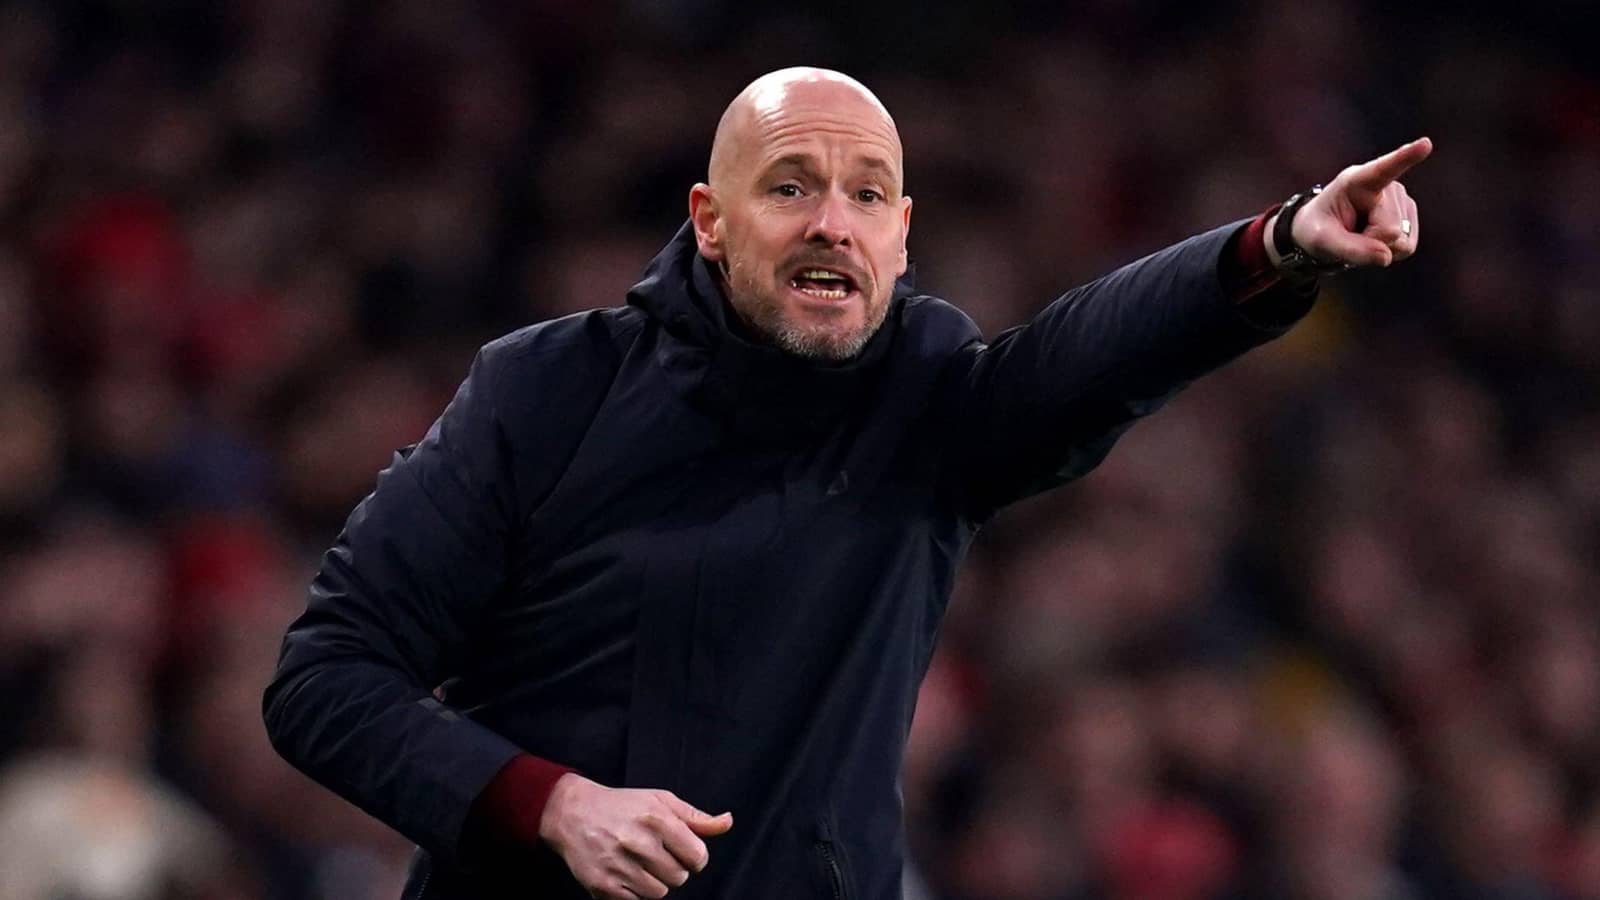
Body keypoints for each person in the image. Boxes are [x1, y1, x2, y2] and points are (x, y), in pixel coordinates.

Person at [262, 67, 1428, 900]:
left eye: (866, 195)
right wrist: (550, 802)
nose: (833, 222)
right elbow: (324, 679)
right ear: (710, 223)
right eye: (791, 186)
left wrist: (1276, 245)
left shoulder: (927, 403)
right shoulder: (543, 392)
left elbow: (1085, 359)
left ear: (903, 236)